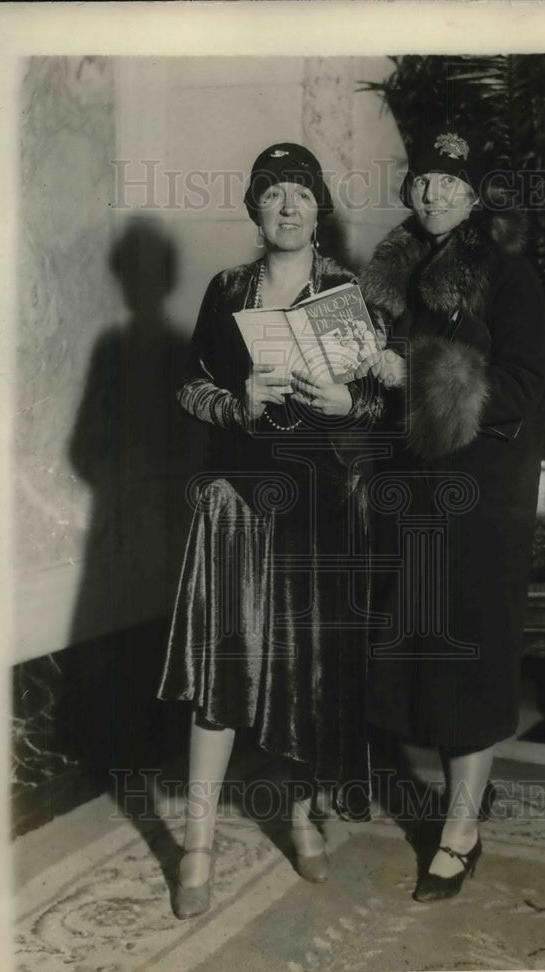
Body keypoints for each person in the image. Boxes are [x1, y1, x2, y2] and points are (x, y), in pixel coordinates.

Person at [157, 142, 381, 919]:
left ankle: (299, 816)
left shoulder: (347, 293)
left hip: (318, 506)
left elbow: (381, 407)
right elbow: (188, 385)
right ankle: (197, 845)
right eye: (274, 194)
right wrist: (238, 403)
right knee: (220, 674)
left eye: (301, 194)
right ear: (255, 208)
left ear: (320, 210)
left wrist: (347, 405)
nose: (288, 207)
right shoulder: (226, 289)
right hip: (235, 504)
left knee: (305, 671)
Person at [358, 129, 545, 901]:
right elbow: (379, 388)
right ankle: (459, 795)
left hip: (480, 494)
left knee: (468, 653)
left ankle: (460, 832)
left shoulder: (508, 276)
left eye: (449, 181)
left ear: (474, 196)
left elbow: (522, 384)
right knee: (422, 650)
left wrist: (415, 373)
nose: (432, 193)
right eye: (422, 180)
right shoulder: (393, 274)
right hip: (411, 489)